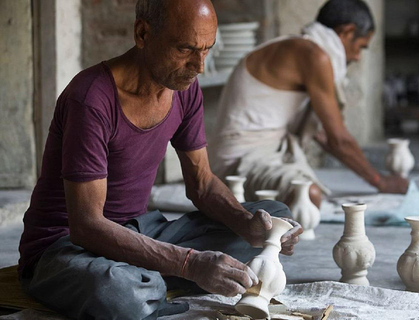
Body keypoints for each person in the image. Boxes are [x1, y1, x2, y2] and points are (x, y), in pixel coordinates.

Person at [17, 0, 302, 319]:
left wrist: (246, 224)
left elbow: (203, 186)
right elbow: (87, 226)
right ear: (142, 33)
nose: (199, 66)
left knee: (274, 216)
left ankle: (149, 279)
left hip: (139, 233)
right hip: (66, 247)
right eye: (186, 49)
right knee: (117, 292)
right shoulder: (91, 99)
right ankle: (147, 281)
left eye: (206, 49)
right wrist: (189, 263)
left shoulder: (184, 88)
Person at [209, 0, 409, 208]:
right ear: (347, 32)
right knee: (309, 197)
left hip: (266, 152)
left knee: (311, 195)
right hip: (238, 164)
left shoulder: (299, 47)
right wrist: (381, 181)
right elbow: (338, 140)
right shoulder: (313, 55)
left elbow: (326, 138)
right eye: (360, 47)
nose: (357, 57)